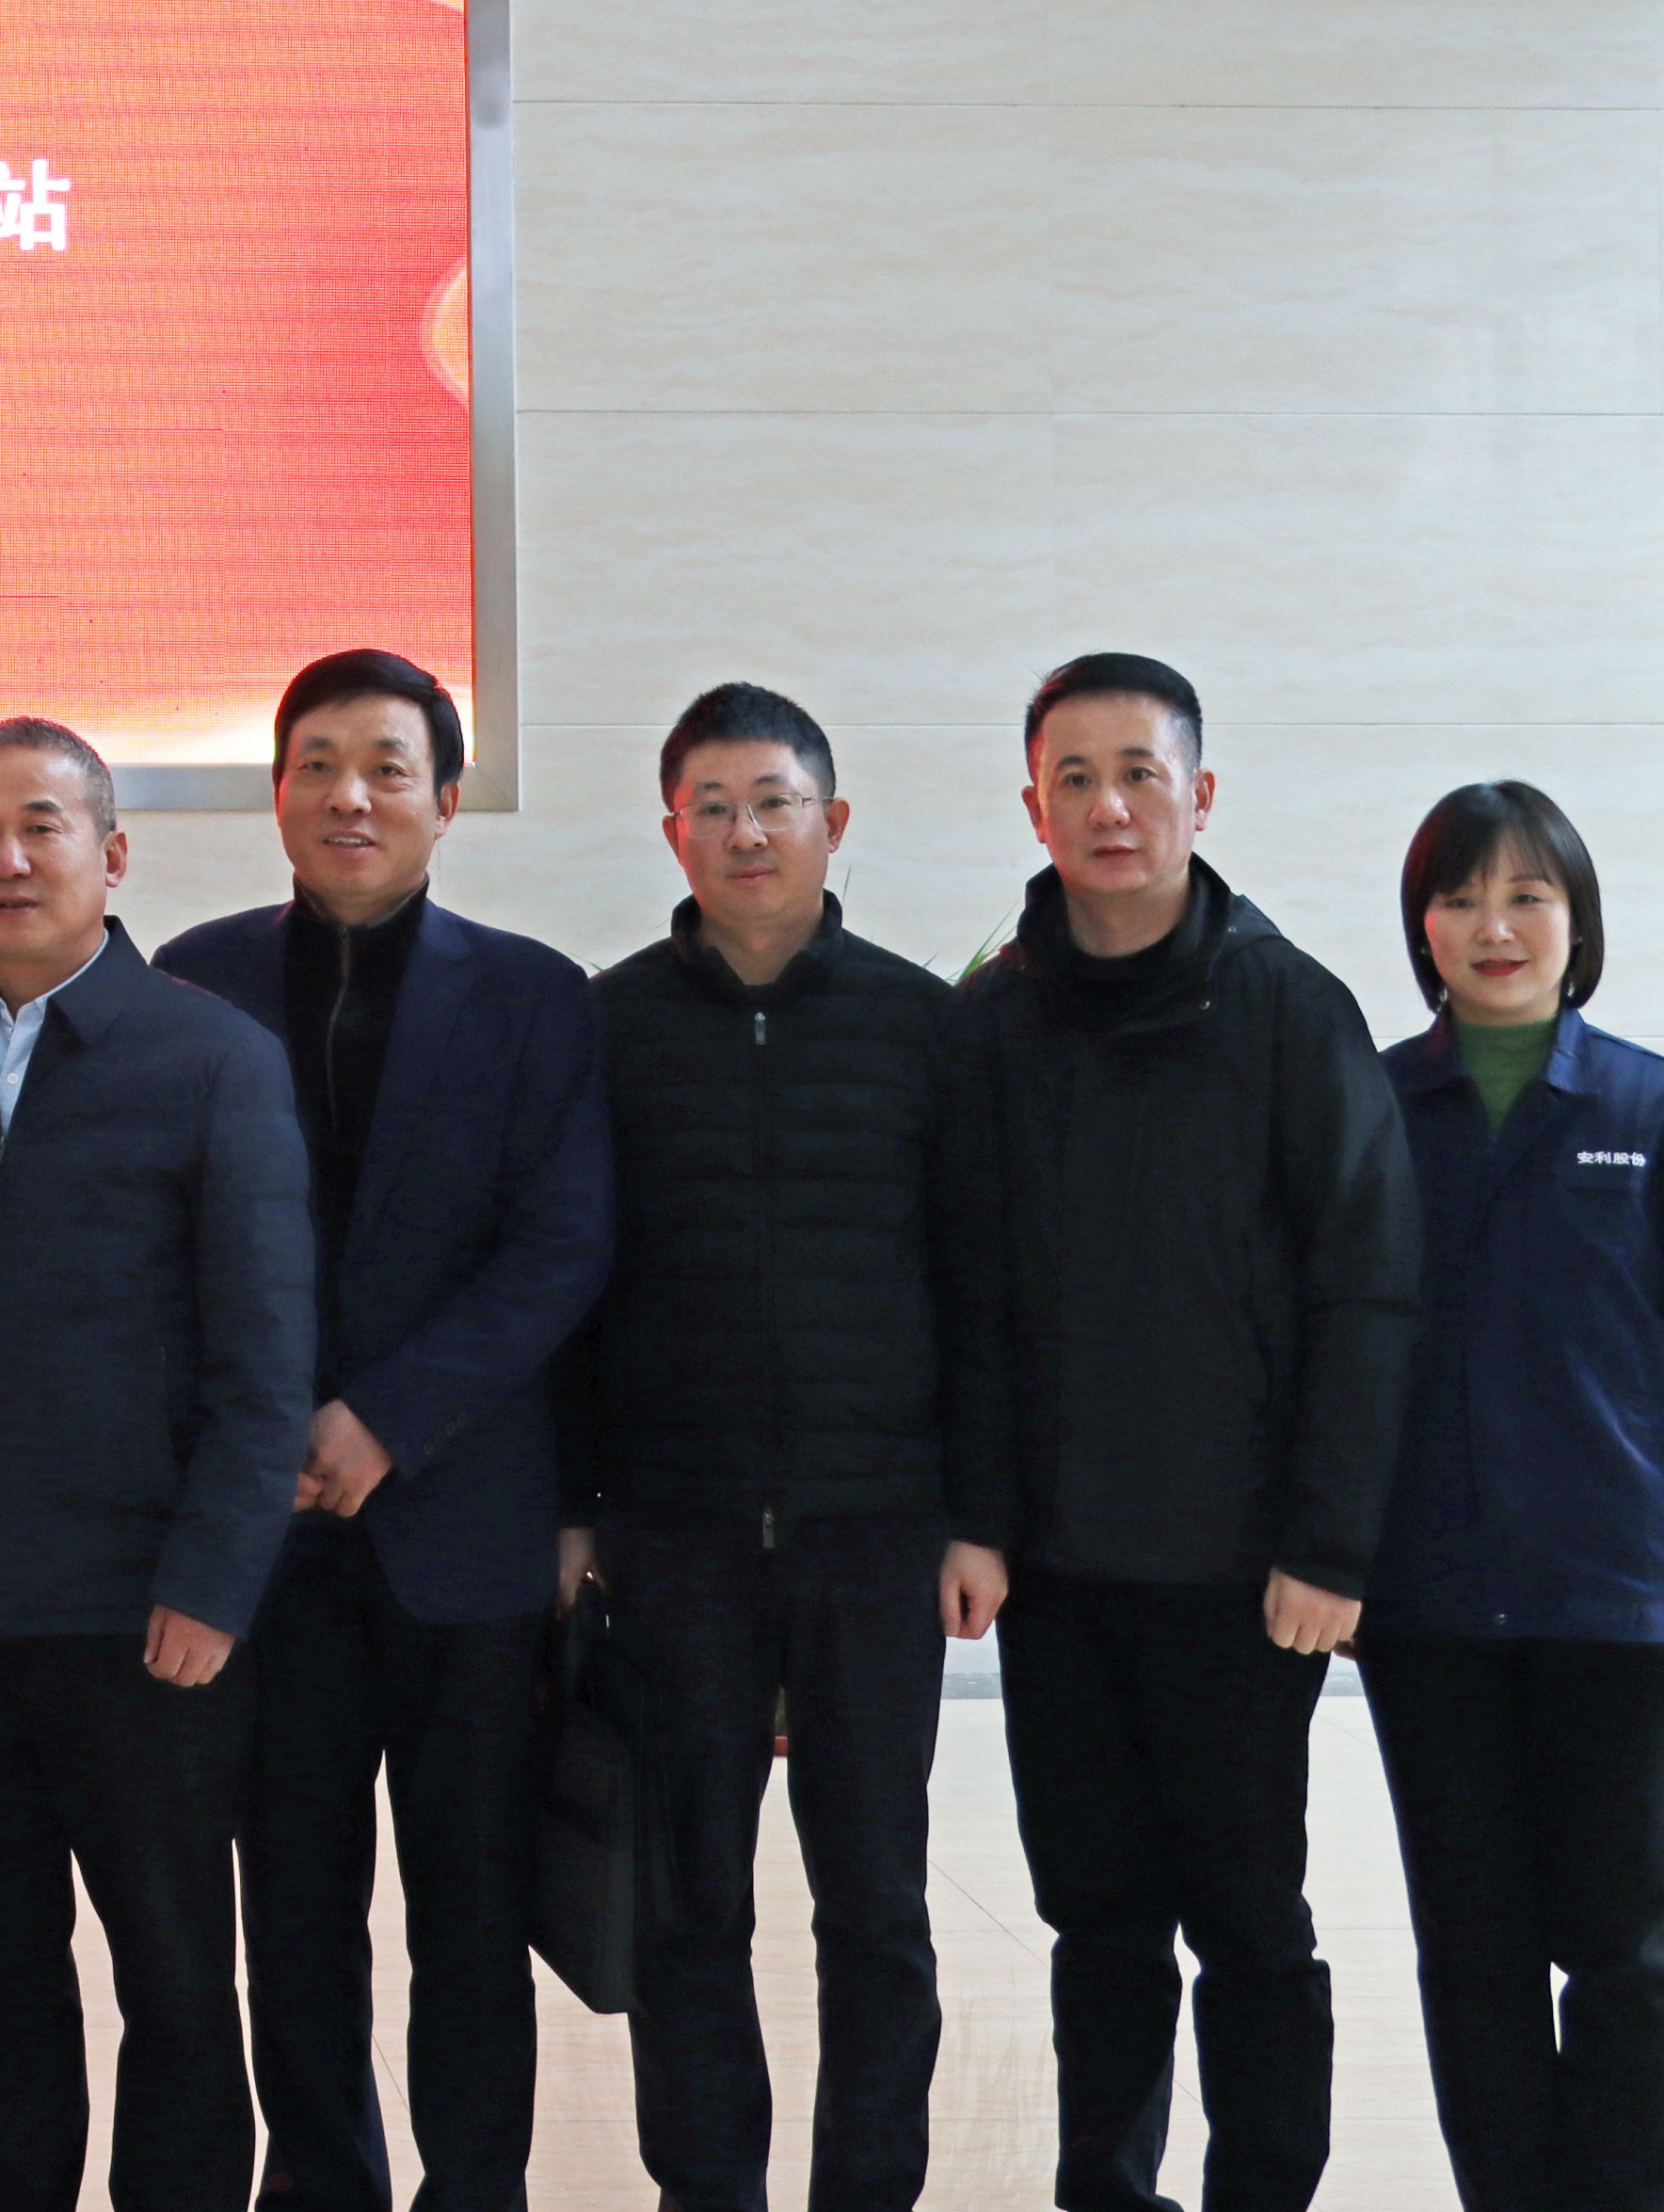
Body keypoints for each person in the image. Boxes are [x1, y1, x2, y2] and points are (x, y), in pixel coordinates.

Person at [940, 652, 1422, 2212]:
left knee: (1249, 1917)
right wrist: (979, 1518)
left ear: (1200, 796)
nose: (1109, 807)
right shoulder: (992, 1018)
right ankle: (1107, 2185)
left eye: (1139, 773)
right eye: (1074, 779)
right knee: (1096, 1916)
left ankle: (1263, 2188)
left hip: (1243, 1574)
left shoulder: (1289, 1009)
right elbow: (966, 1296)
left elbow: (1369, 1288)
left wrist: (1330, 1543)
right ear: (1033, 806)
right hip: (1060, 1570)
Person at [0, 718, 314, 2212]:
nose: (12, 857)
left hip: (145, 1624)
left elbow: (265, 1359)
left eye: (44, 825)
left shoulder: (212, 1059)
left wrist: (213, 1585)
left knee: (175, 1985)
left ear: (114, 854)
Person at [155, 649, 612, 2212]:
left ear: (447, 799)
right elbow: (156, 1245)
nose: (351, 796)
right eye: (319, 765)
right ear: (278, 791)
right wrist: (273, 1434)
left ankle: (476, 2185)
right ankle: (322, 2180)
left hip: (462, 1527)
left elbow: (560, 1247)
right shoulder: (193, 982)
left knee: (472, 1908)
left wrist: (386, 1421)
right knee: (292, 1907)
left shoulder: (535, 995)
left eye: (388, 768)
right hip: (263, 1539)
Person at [1361, 779, 1664, 2212]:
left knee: (1625, 1952)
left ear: (1577, 921)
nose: (1494, 927)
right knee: (1471, 1951)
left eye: (1527, 896)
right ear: (1423, 927)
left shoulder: (1658, 1109)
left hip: (1619, 1600)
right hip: (1428, 1603)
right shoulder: (1374, 1107)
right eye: (1460, 898)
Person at [561, 681, 966, 2212]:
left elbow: (980, 1288)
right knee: (688, 1910)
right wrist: (575, 1507)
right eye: (714, 808)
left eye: (774, 803)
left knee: (877, 1909)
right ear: (672, 832)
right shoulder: (604, 1027)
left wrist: (976, 1514)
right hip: (674, 1531)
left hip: (879, 1529)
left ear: (832, 822)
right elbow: (568, 1288)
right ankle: (707, 2186)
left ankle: (871, 2187)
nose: (746, 834)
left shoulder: (925, 1027)